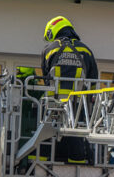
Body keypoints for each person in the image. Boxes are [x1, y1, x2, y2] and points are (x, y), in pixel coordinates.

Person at [41, 16, 99, 164]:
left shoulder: (49, 50)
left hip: (53, 105)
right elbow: (93, 80)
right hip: (77, 106)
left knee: (47, 135)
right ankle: (78, 162)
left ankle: (46, 160)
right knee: (76, 136)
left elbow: (46, 78)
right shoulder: (86, 50)